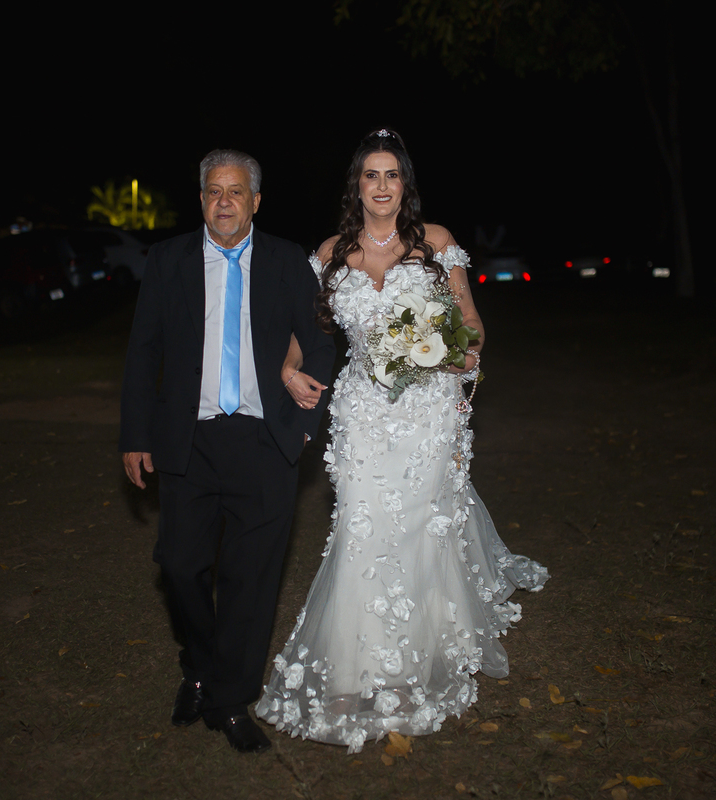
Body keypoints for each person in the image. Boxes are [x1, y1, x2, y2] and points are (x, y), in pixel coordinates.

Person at [255, 130, 548, 753]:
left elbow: (471, 324)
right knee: (360, 529)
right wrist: (286, 367)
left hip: (427, 413)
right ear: (357, 186)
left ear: (404, 185)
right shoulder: (330, 253)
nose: (382, 186)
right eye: (372, 175)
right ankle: (348, 669)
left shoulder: (436, 243)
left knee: (415, 531)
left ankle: (408, 668)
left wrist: (459, 353)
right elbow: (302, 329)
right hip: (361, 413)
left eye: (392, 175)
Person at [120, 149, 335, 753]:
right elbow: (143, 351)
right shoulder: (168, 260)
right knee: (180, 564)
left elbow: (321, 342)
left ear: (256, 201)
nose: (224, 201)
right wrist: (135, 435)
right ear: (201, 199)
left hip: (265, 441)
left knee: (251, 578)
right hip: (189, 440)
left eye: (235, 191)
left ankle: (230, 698)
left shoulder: (287, 261)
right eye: (213, 191)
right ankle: (198, 665)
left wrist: (304, 420)